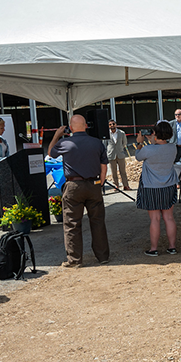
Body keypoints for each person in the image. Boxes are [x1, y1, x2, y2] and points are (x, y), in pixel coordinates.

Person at [48, 115, 110, 268]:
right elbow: (104, 165)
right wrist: (100, 182)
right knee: (98, 221)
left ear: (71, 127)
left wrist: (57, 135)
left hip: (74, 185)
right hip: (94, 183)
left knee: (72, 223)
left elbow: (51, 153)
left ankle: (75, 260)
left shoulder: (65, 142)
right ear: (86, 126)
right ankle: (103, 256)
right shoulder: (97, 142)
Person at [134, 121, 179, 256]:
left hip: (151, 186)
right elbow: (160, 148)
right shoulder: (173, 148)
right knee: (169, 218)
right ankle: (172, 247)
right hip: (169, 185)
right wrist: (153, 140)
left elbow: (138, 156)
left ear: (155, 133)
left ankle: (154, 248)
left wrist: (140, 143)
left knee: (155, 219)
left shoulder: (148, 149)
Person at [103, 119, 130, 191]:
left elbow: (124, 143)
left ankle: (126, 185)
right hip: (111, 155)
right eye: (110, 124)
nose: (112, 126)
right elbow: (105, 145)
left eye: (113, 124)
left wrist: (120, 149)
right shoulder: (107, 134)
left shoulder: (121, 133)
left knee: (123, 171)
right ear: (108, 126)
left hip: (120, 154)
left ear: (116, 124)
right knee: (113, 172)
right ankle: (116, 186)